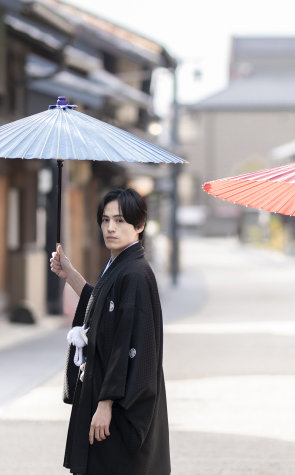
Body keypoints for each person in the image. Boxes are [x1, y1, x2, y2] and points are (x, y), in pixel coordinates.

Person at [50, 188, 170, 475]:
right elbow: (101, 308)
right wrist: (70, 274)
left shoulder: (136, 274)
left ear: (139, 225)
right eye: (105, 220)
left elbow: (128, 344)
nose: (110, 228)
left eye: (119, 220)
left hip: (118, 402)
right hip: (104, 389)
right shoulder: (119, 266)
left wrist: (106, 404)